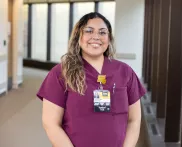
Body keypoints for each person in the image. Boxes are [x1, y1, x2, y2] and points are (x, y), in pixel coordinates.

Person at [37, 12, 146, 147]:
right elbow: (51, 123)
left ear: (109, 38)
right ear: (78, 36)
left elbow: (134, 120)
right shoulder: (61, 73)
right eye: (88, 31)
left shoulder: (125, 72)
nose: (96, 37)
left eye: (102, 32)